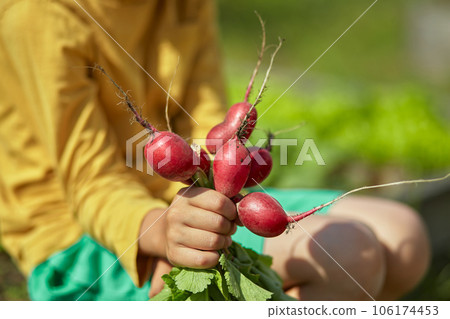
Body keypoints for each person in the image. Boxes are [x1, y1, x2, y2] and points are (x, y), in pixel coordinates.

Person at [0, 0, 430, 301]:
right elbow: (90, 182)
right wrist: (161, 232)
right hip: (88, 242)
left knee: (404, 235)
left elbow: (204, 118)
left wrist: (218, 175)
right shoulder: (37, 15)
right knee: (351, 252)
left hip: (183, 203)